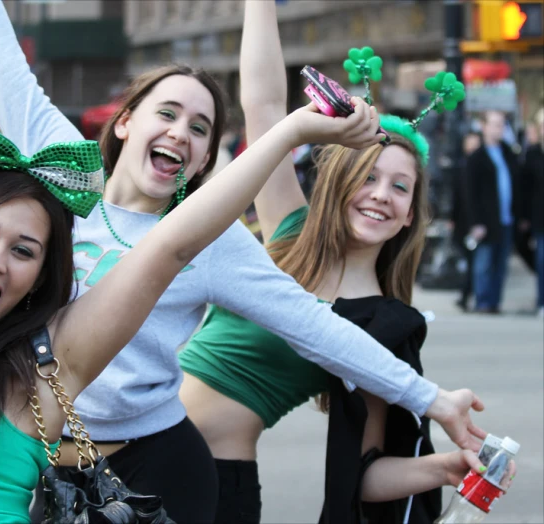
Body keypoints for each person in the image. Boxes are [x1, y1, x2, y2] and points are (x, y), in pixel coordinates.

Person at [0, 2, 487, 522]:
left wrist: (433, 400)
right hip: (42, 459)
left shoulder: (211, 237)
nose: (180, 133)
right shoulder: (63, 169)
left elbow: (315, 325)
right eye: (166, 113)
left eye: (200, 128)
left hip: (157, 464)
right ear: (123, 123)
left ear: (207, 158)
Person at [0, 79, 384, 521]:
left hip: (169, 464)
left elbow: (171, 246)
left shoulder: (35, 377)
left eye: (24, 251)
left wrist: (287, 134)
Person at [179, 3, 495, 522]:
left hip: (219, 483)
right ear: (340, 183)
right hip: (141, 443)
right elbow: (262, 105)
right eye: (368, 177)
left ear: (411, 212)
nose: (380, 196)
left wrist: (445, 467)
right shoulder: (292, 230)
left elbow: (364, 473)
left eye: (400, 186)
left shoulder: (383, 323)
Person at [464, 110, 521, 314]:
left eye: (502, 124)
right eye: (495, 124)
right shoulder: (477, 157)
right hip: (486, 221)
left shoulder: (508, 152)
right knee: (484, 263)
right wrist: (476, 222)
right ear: (484, 127)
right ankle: (483, 302)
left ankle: (495, 301)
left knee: (500, 264)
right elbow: (470, 192)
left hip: (506, 218)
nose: (499, 128)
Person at [452, 131, 483, 311]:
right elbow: (457, 195)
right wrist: (452, 218)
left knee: (474, 261)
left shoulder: (478, 165)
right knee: (469, 259)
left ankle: (468, 295)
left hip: (475, 221)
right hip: (463, 220)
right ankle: (466, 294)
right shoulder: (461, 165)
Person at [521, 108, 544, 317]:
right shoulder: (533, 154)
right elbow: (526, 188)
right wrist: (525, 216)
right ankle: (541, 301)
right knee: (541, 261)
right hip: (540, 218)